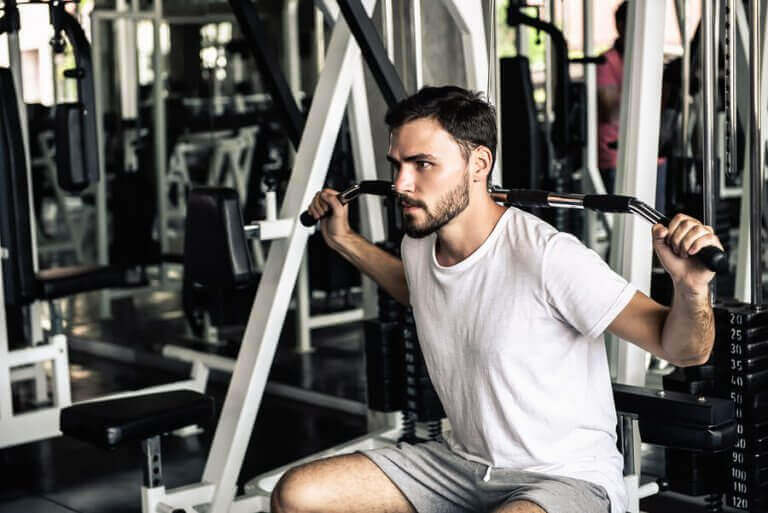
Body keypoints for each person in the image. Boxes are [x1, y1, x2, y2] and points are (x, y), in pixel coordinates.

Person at [273, 86, 720, 513]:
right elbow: (417, 289)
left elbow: (683, 347)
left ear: (478, 164)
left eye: (422, 164)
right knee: (297, 496)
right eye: (396, 165)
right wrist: (345, 240)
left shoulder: (548, 257)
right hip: (460, 465)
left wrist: (691, 288)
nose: (401, 185)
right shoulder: (418, 244)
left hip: (563, 478)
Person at [597, 1, 668, 214]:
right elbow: (611, 113)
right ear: (620, 25)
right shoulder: (606, 61)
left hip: (653, 155)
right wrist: (641, 82)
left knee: (656, 226)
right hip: (617, 158)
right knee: (623, 228)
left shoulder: (653, 60)